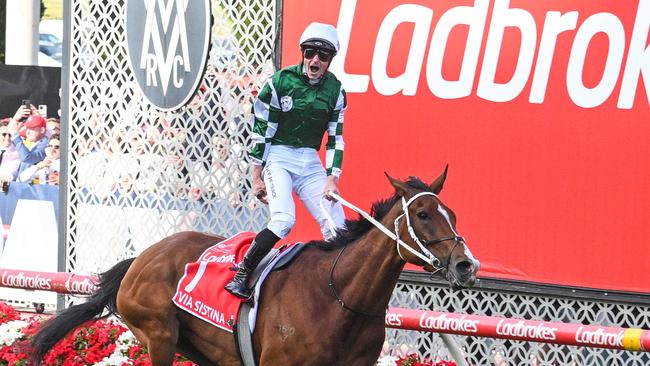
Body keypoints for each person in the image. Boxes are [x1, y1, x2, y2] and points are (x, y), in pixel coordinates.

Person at [225, 22, 348, 298]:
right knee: (283, 220)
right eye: (310, 52)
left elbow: (336, 138)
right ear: (302, 53)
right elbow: (262, 131)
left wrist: (332, 178)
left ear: (330, 61)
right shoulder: (279, 83)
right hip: (279, 156)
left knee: (337, 227)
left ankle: (335, 289)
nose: (315, 59)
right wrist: (257, 176)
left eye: (323, 55)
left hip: (309, 160)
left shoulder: (336, 91)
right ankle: (243, 273)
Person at [7, 105, 49, 178]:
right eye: (27, 128)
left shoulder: (46, 144)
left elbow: (27, 158)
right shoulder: (32, 143)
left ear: (42, 130)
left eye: (32, 128)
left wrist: (15, 136)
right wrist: (16, 118)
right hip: (21, 185)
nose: (27, 132)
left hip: (35, 187)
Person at [0, 120, 20, 185]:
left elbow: (14, 172)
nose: (8, 137)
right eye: (4, 134)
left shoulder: (18, 153)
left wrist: (8, 177)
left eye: (10, 135)